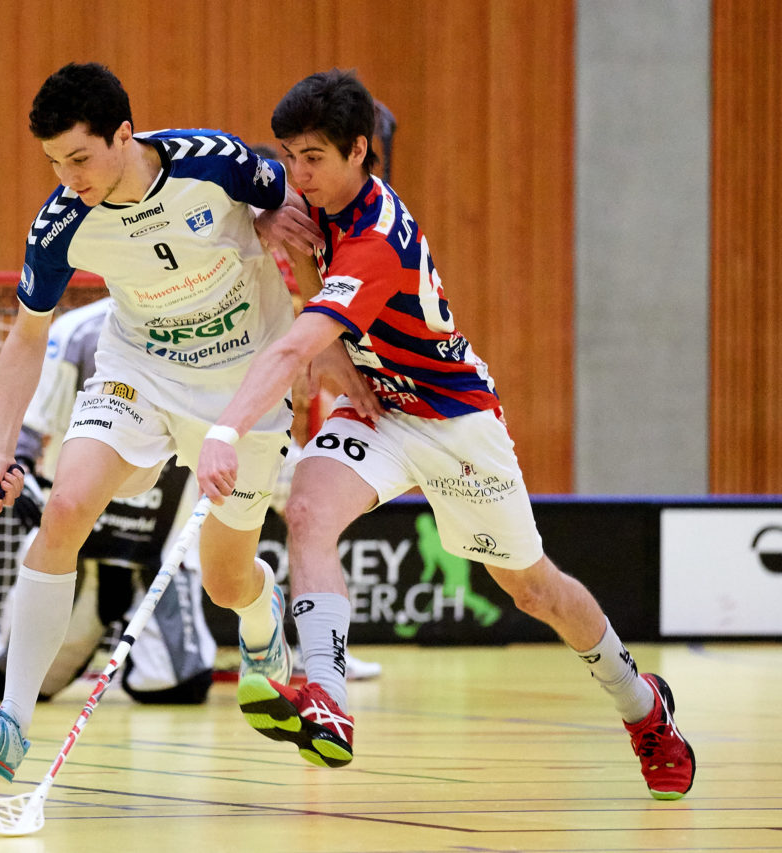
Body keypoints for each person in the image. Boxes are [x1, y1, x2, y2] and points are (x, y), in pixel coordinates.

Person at [197, 69, 695, 800]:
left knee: (533, 588)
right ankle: (327, 696)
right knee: (305, 511)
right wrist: (275, 229)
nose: (297, 176)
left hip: (454, 420)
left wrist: (225, 430)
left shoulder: (375, 237)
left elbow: (294, 347)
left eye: (313, 159)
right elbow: (245, 188)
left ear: (360, 151)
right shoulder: (312, 197)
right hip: (377, 410)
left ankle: (643, 706)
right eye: (290, 157)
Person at [0, 61, 322, 783]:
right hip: (138, 368)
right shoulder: (61, 223)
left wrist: (273, 222)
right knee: (66, 507)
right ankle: (11, 723)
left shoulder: (213, 162)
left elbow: (300, 206)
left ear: (123, 134)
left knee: (226, 582)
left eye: (80, 158)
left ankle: (261, 612)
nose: (68, 178)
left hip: (243, 386)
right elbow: (25, 337)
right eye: (55, 163)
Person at [0, 297, 218, 705]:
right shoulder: (78, 332)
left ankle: (131, 647)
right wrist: (20, 465)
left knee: (180, 686)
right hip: (81, 545)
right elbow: (32, 422)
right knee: (3, 685)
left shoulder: (216, 330)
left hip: (157, 548)